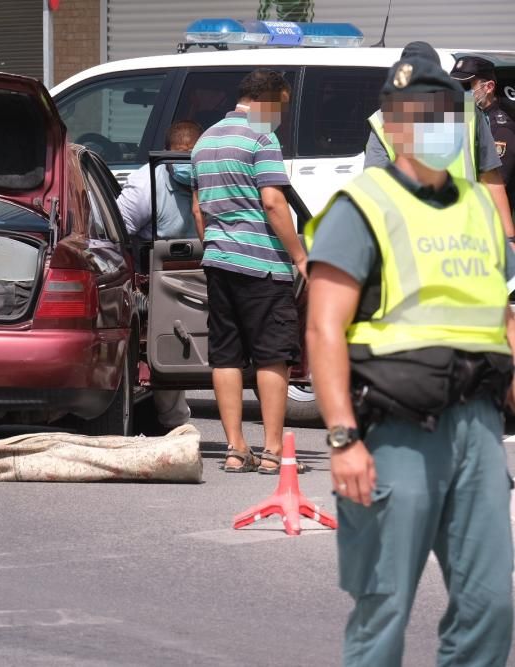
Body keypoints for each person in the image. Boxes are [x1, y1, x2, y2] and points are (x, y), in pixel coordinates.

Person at [306, 55, 514, 665]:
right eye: (420, 116)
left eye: (448, 115)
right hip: (394, 433)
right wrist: (343, 438)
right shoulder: (361, 206)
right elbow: (323, 328)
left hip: (476, 430)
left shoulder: (480, 208)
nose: (437, 128)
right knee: (383, 610)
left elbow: (499, 312)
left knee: (491, 608)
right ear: (391, 127)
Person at [190, 68, 307, 474]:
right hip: (262, 264)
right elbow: (274, 202)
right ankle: (272, 449)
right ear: (268, 99)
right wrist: (299, 255)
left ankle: (236, 448)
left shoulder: (205, 139)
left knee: (226, 355)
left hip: (219, 262)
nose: (282, 115)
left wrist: (216, 247)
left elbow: (198, 209)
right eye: (282, 105)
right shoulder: (261, 136)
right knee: (273, 356)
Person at [365, 42, 515, 244]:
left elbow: (375, 193)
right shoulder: (468, 112)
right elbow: (492, 181)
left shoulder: (384, 119)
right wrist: (509, 239)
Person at [117, 120, 201, 430]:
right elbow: (116, 235)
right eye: (180, 157)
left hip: (203, 276)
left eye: (191, 158)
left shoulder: (211, 178)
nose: (185, 166)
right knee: (166, 339)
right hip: (156, 281)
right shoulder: (145, 185)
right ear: (167, 155)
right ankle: (175, 424)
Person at [451, 55, 515, 217]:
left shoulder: (501, 128)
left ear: (489, 87)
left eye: (466, 85)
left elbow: (495, 185)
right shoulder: (459, 119)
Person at [117, 120, 201, 242]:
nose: (186, 162)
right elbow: (119, 237)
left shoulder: (219, 180)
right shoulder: (145, 185)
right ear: (166, 154)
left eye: (191, 154)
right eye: (180, 154)